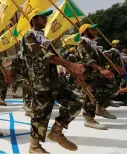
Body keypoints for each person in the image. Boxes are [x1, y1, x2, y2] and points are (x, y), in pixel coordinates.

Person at [23, 10, 84, 153]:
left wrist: (73, 70)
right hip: (41, 82)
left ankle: (56, 131)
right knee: (41, 115)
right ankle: (34, 147)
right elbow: (45, 56)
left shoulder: (44, 38)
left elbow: (56, 58)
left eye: (46, 17)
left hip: (55, 81)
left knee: (76, 102)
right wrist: (70, 64)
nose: (46, 19)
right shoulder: (28, 36)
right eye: (43, 17)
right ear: (34, 19)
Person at [78, 24, 122, 130]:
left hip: (98, 75)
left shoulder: (94, 45)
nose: (94, 31)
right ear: (85, 31)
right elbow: (86, 60)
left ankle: (100, 108)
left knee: (114, 86)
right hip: (89, 75)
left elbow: (104, 59)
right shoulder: (82, 43)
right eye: (92, 30)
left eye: (94, 29)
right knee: (90, 96)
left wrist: (116, 67)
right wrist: (101, 69)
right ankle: (89, 119)